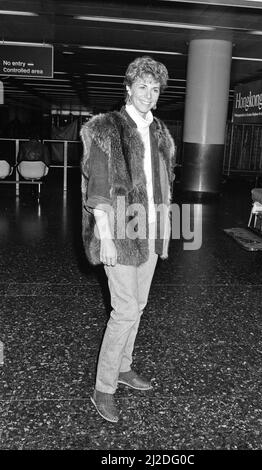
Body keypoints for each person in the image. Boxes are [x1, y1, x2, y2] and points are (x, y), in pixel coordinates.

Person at [80, 56, 175, 423]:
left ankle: (123, 367)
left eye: (154, 89)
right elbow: (100, 191)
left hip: (149, 230)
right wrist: (105, 239)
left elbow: (162, 184)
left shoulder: (158, 132)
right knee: (124, 311)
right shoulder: (108, 129)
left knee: (138, 305)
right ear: (128, 88)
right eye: (142, 88)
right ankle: (103, 388)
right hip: (119, 232)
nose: (149, 95)